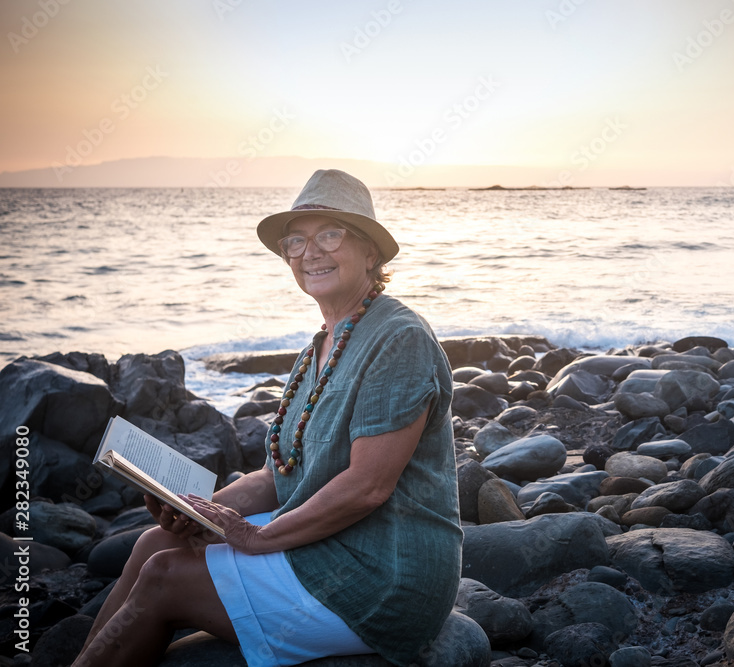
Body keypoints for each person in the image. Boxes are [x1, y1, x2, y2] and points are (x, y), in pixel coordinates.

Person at [74, 169, 462, 667]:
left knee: (165, 578)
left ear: (372, 253)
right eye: (295, 241)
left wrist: (255, 536)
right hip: (327, 540)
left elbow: (368, 486)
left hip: (384, 571)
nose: (310, 252)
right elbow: (278, 475)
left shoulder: (398, 338)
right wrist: (199, 511)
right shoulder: (319, 348)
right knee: (160, 539)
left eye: (330, 233)